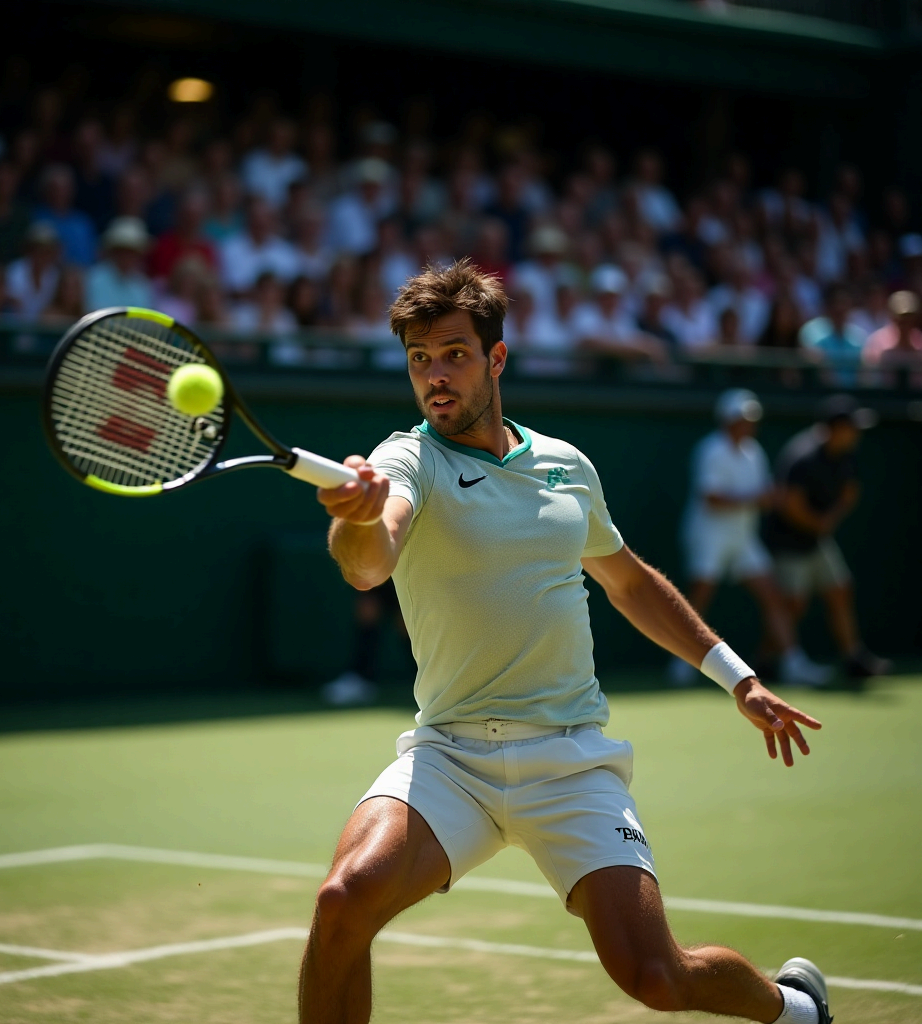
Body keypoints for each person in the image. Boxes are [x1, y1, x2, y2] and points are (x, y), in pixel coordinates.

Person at [302, 260, 832, 1024]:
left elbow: (630, 582)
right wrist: (354, 519)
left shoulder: (567, 466)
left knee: (656, 977)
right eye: (419, 359)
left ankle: (796, 1009)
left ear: (497, 357)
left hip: (570, 762)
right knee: (343, 900)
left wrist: (738, 677)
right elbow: (367, 564)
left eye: (454, 353)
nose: (435, 376)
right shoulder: (405, 460)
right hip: (451, 759)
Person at [670, 389, 830, 688]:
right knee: (699, 599)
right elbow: (712, 499)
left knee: (773, 595)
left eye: (752, 419)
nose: (749, 424)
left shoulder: (754, 452)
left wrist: (770, 499)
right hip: (709, 536)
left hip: (743, 538)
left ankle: (793, 663)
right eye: (743, 418)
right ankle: (682, 660)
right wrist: (758, 499)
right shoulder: (711, 450)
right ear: (728, 420)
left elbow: (764, 495)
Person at [763, 395, 889, 680]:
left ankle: (853, 658)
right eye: (852, 427)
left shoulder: (846, 455)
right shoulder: (802, 457)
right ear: (836, 428)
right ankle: (765, 661)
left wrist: (831, 517)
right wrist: (821, 522)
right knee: (793, 605)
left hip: (818, 539)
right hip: (787, 541)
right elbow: (790, 504)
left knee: (840, 589)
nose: (857, 433)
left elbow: (850, 493)